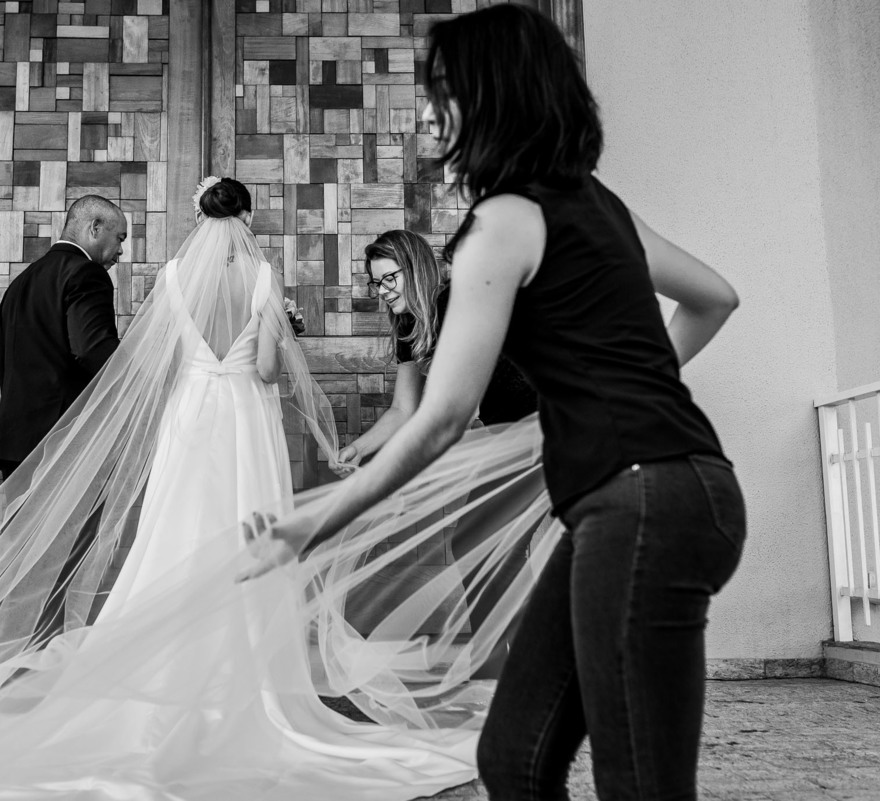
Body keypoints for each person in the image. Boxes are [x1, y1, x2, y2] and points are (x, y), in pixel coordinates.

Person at [0, 178, 510, 801]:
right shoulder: (264, 277)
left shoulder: (168, 277)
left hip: (191, 421)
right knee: (243, 543)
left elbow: (145, 367)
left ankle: (151, 687)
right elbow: (267, 371)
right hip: (244, 424)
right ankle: (246, 684)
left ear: (199, 217)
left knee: (173, 542)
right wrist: (282, 333)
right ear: (248, 220)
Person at [242, 6, 746, 801]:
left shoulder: (501, 223)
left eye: (441, 90)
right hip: (677, 493)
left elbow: (442, 416)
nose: (429, 111)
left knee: (640, 785)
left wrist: (320, 516)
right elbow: (715, 298)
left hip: (642, 505)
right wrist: (612, 396)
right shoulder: (596, 202)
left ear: (490, 96)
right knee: (513, 756)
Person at [334, 228, 537, 476]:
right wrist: (359, 448)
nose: (383, 291)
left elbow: (453, 409)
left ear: (414, 270)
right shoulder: (409, 325)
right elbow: (403, 408)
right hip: (505, 435)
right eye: (377, 283)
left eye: (389, 278)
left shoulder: (452, 304)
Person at [0, 194, 126, 481]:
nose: (120, 251)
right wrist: (139, 378)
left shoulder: (21, 282)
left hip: (14, 441)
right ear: (95, 228)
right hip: (61, 440)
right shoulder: (86, 274)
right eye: (119, 238)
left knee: (21, 527)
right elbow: (93, 350)